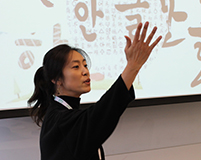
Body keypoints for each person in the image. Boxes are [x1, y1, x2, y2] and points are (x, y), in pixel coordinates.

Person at [28, 21, 162, 160]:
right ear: (56, 79)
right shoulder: (60, 119)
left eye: (85, 65)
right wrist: (132, 67)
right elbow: (101, 114)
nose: (85, 71)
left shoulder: (63, 112)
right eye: (76, 67)